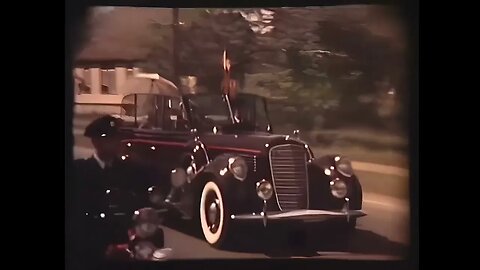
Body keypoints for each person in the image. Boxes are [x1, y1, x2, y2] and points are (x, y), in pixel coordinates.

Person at [71, 115, 156, 266]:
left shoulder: (132, 171)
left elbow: (142, 209)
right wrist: (103, 248)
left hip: (129, 248)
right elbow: (77, 220)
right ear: (96, 142)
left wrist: (134, 240)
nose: (116, 142)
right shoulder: (80, 172)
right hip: (93, 251)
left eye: (117, 138)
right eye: (110, 138)